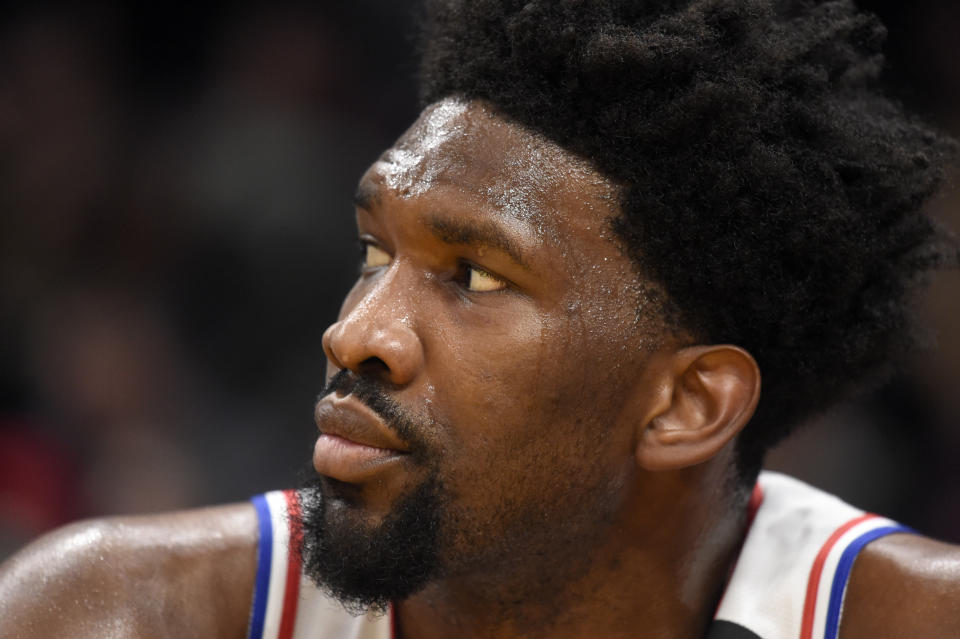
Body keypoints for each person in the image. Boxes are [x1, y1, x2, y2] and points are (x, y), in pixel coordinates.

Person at [1, 0, 959, 637]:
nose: (357, 333)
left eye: (473, 276)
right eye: (377, 252)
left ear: (687, 403)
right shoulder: (114, 616)